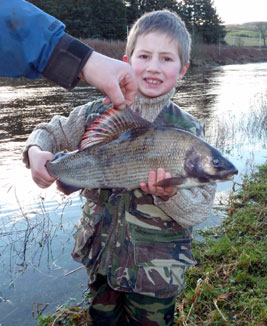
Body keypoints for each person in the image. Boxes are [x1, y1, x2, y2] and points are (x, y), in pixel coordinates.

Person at [23, 10, 216, 326]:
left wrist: (169, 195)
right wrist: (35, 151)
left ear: (183, 69)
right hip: (101, 263)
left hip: (157, 276)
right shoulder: (96, 112)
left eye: (167, 59)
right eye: (144, 56)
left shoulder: (190, 134)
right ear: (126, 61)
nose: (154, 67)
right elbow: (48, 130)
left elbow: (199, 210)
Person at [0, 0, 136, 110]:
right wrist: (83, 61)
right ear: (127, 59)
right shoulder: (87, 113)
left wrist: (84, 61)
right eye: (144, 56)